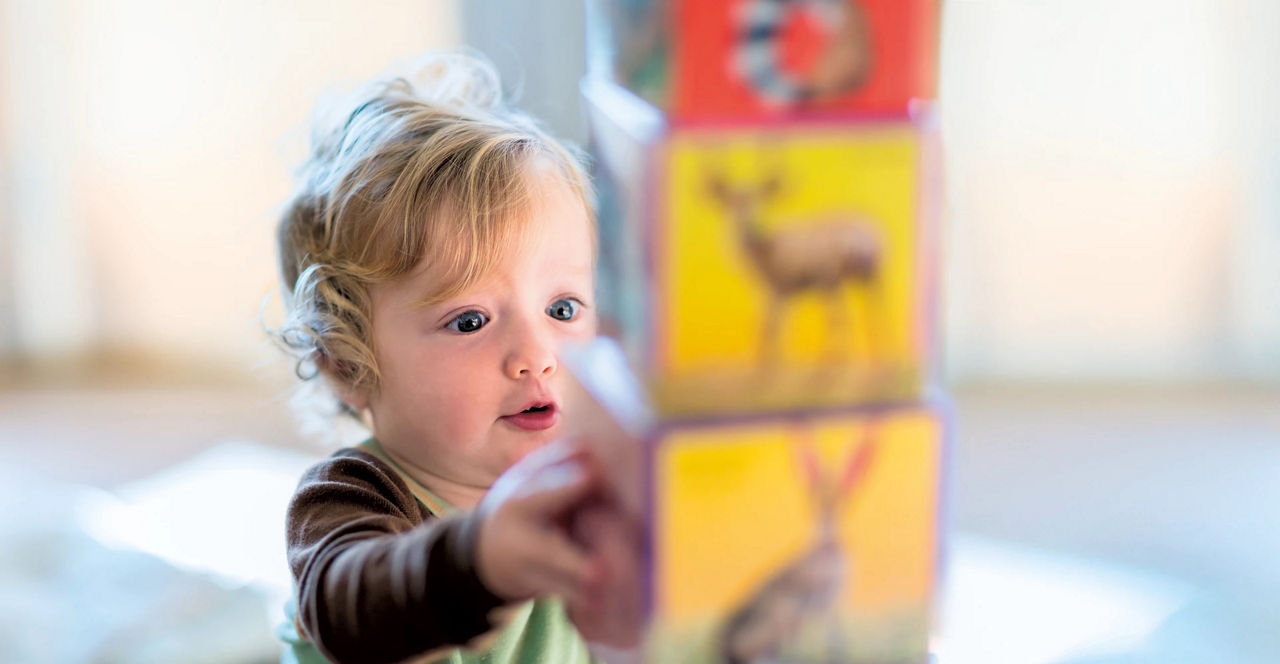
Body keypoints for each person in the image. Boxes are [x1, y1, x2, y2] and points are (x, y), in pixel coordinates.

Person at [270, 52, 636, 664]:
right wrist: (478, 562)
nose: (536, 356)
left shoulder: (593, 470)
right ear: (349, 367)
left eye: (565, 309)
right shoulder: (350, 500)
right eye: (470, 321)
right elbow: (350, 613)